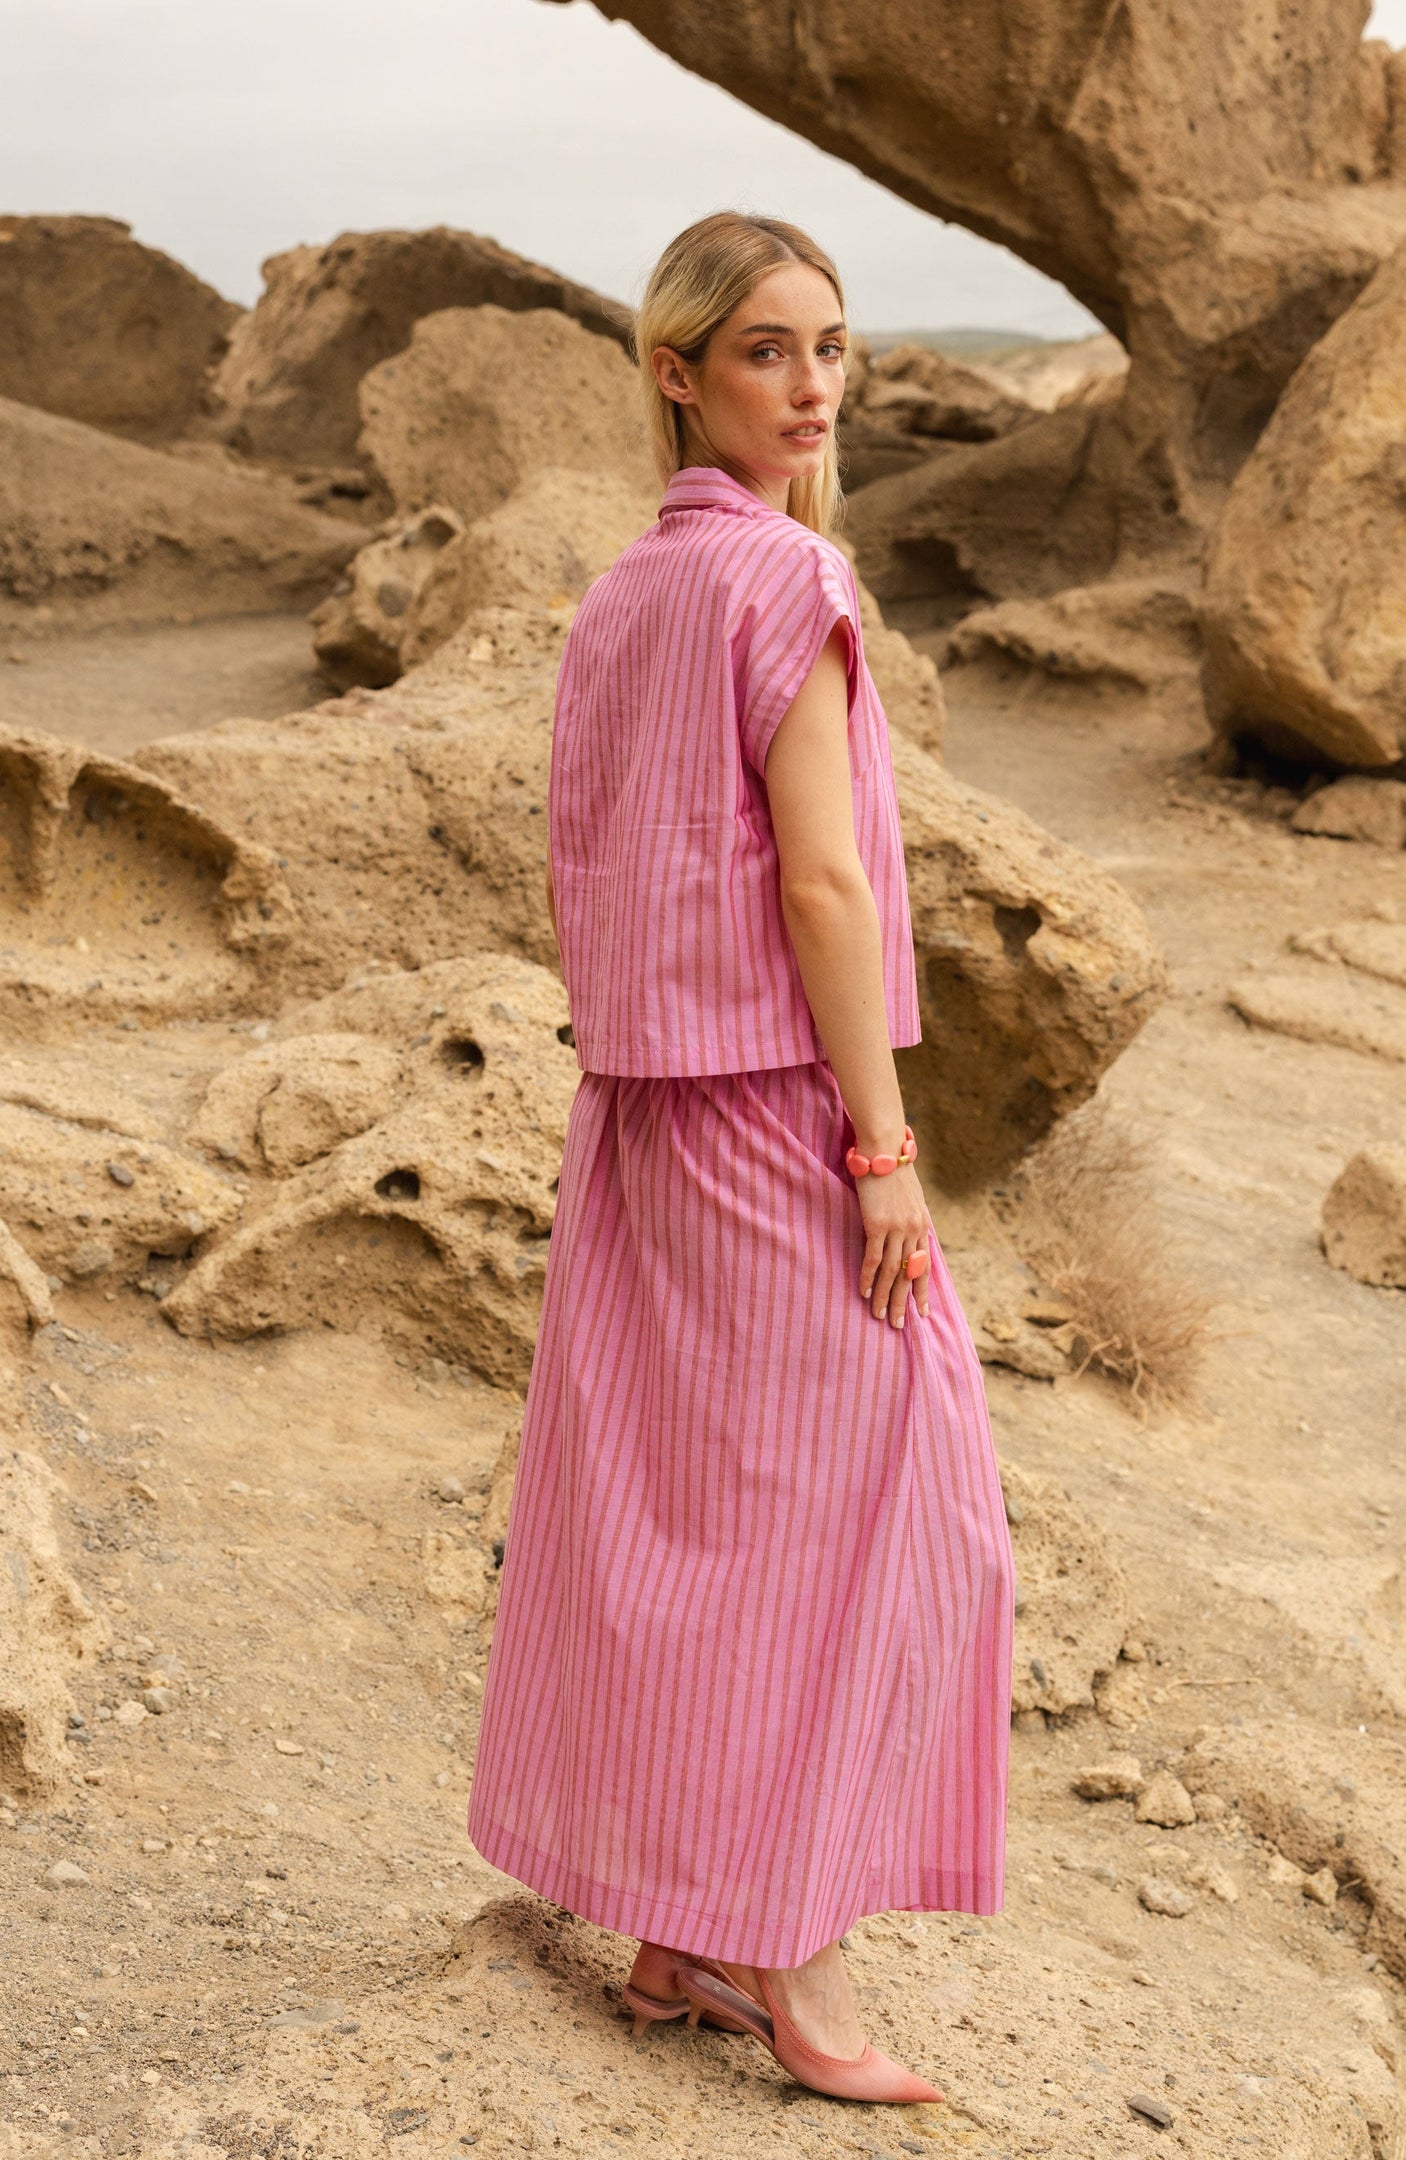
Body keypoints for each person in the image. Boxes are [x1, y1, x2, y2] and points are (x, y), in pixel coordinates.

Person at [467, 210, 1014, 2107]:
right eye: (769, 350)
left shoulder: (626, 592)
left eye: (834, 349)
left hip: (640, 1108)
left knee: (692, 1516)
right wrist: (883, 1147)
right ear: (677, 369)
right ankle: (802, 1969)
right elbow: (826, 877)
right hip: (774, 1111)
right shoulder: (788, 580)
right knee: (882, 1507)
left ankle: (679, 1928)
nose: (813, 388)